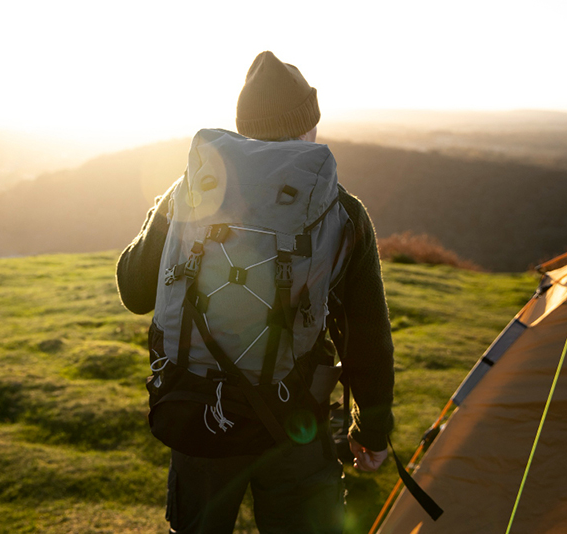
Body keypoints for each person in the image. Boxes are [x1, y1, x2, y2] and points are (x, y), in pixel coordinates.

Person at [116, 51, 394, 534]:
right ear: (309, 125)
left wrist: (166, 211)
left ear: (244, 126)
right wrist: (372, 430)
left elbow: (134, 290)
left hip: (199, 414)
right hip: (294, 420)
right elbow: (367, 336)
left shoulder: (190, 193)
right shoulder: (341, 210)